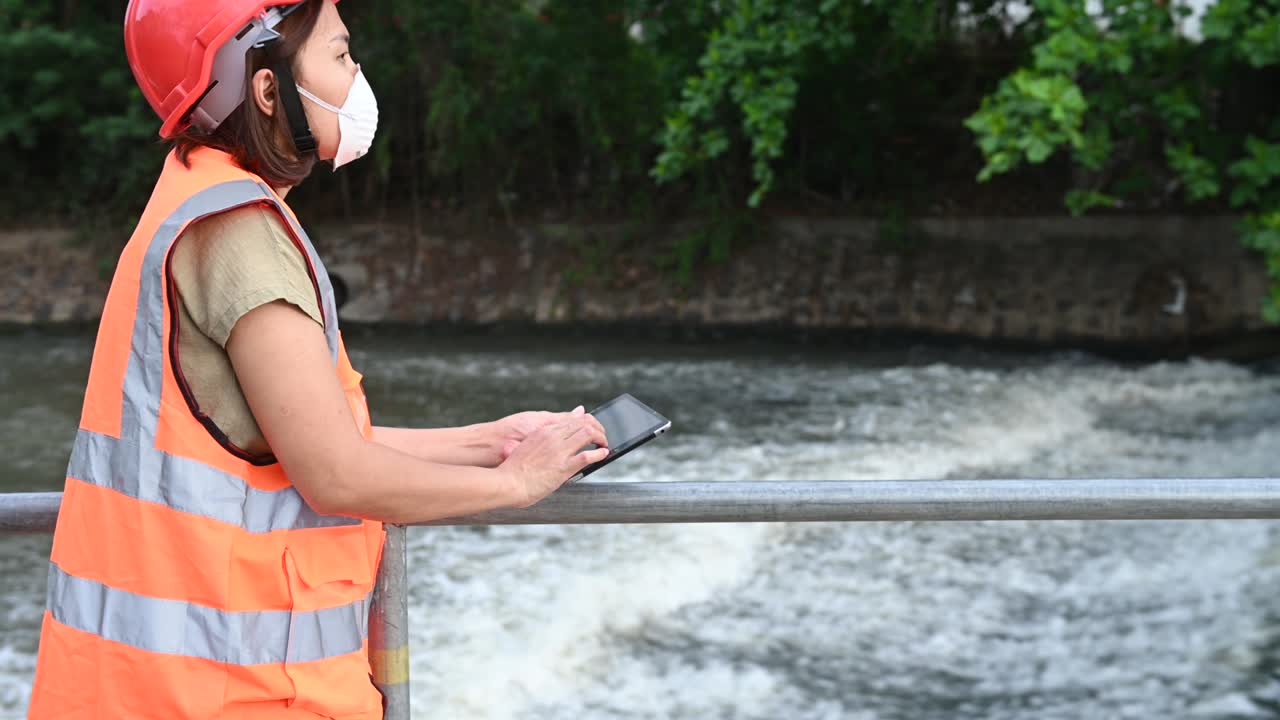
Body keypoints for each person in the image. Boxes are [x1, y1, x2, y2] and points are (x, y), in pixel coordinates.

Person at [26, 1, 608, 717]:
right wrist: (516, 483)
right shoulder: (238, 233)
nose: (357, 74)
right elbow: (334, 474)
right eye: (339, 55)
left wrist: (488, 442)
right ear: (268, 91)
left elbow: (292, 445)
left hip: (142, 691)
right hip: (233, 695)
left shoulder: (195, 199)